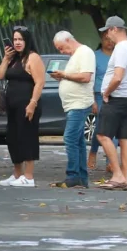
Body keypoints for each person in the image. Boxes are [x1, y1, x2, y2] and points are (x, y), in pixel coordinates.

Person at [95, 16, 127, 191]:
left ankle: (118, 175)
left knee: (103, 135)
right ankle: (125, 178)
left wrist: (106, 92)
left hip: (116, 98)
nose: (107, 36)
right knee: (124, 138)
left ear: (114, 29)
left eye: (107, 31)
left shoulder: (121, 49)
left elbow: (118, 76)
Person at [0, 26, 46, 188]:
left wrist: (32, 103)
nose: (17, 43)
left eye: (20, 39)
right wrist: (5, 58)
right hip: (12, 105)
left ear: (27, 41)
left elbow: (40, 82)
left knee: (27, 138)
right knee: (13, 138)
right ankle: (17, 173)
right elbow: (1, 75)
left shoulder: (33, 57)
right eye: (15, 39)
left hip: (27, 104)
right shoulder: (13, 58)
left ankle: (29, 176)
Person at [51, 31, 96, 188]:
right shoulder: (76, 55)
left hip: (79, 104)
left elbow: (85, 77)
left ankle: (73, 174)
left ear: (69, 40)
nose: (62, 52)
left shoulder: (85, 52)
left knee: (69, 138)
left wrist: (64, 74)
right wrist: (63, 76)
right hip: (73, 104)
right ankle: (81, 177)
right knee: (78, 141)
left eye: (62, 48)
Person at [88, 30, 118, 170]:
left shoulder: (118, 56)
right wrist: (93, 100)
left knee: (113, 129)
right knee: (100, 128)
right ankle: (93, 151)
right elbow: (91, 79)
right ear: (101, 40)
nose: (109, 42)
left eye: (111, 39)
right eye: (106, 39)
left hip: (116, 96)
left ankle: (110, 162)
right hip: (99, 96)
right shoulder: (95, 56)